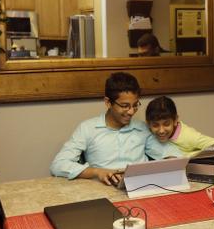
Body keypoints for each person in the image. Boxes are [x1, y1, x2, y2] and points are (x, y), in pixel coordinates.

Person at [50, 72, 181, 185]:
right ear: (108, 102)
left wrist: (171, 160)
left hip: (140, 188)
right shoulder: (88, 128)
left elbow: (173, 155)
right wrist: (96, 172)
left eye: (135, 105)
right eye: (125, 106)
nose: (131, 111)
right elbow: (58, 165)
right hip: (102, 192)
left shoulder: (142, 129)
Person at [145, 96, 214, 154]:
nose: (161, 131)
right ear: (148, 124)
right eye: (155, 125)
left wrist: (187, 156)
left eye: (166, 124)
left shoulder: (189, 136)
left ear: (175, 120)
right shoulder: (146, 133)